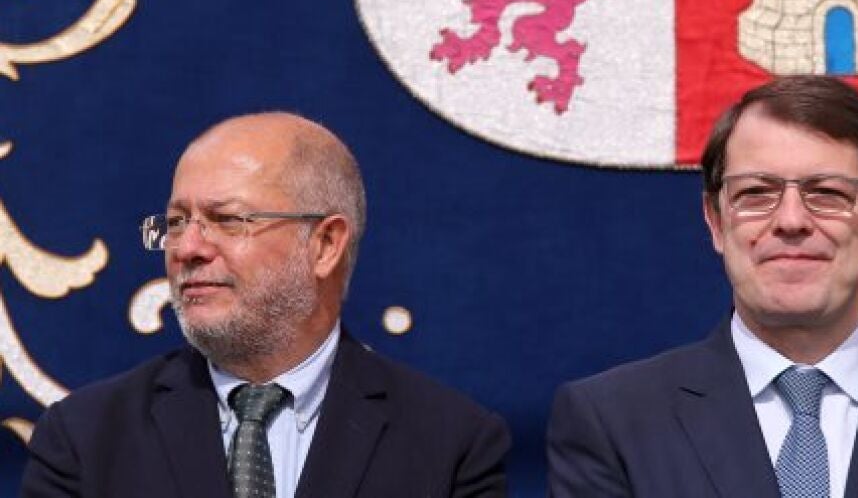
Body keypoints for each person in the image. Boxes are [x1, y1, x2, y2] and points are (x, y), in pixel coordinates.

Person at [546, 76, 858, 497]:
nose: (791, 220)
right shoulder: (613, 424)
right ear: (715, 222)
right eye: (756, 193)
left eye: (827, 193)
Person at [21, 112, 510, 498]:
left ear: (325, 244)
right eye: (175, 222)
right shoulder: (85, 438)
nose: (187, 248)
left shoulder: (449, 444)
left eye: (227, 220)